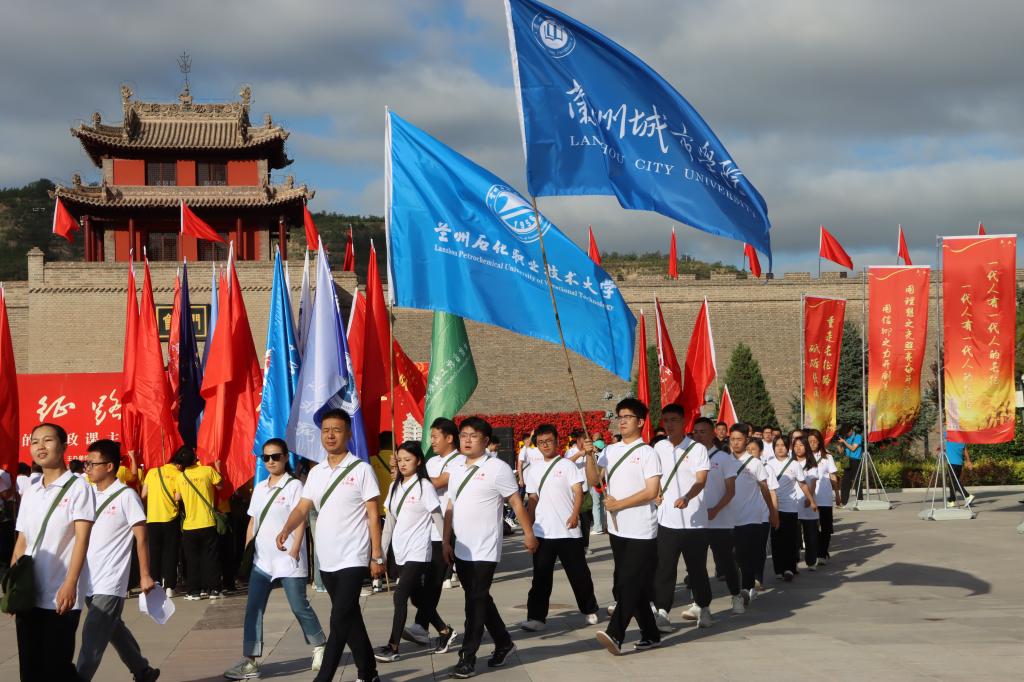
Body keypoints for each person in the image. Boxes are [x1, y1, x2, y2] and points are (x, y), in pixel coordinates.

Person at [277, 409, 383, 682]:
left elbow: (373, 514)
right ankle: (369, 673)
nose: (330, 435)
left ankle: (323, 678)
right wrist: (286, 528)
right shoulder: (316, 472)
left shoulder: (361, 469)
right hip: (328, 558)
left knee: (338, 620)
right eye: (326, 430)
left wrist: (377, 555)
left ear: (348, 434)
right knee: (350, 618)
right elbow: (302, 508)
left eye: (337, 430)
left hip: (354, 556)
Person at [224, 439, 326, 680]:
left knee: (299, 606)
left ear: (285, 457)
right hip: (262, 561)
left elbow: (300, 519)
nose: (270, 461)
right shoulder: (260, 488)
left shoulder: (294, 486)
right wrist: (248, 551)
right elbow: (253, 521)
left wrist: (296, 547)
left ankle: (320, 645)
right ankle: (250, 660)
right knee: (254, 609)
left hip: (288, 559)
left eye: (276, 456)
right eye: (266, 457)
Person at [444, 417, 537, 679]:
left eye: (473, 436)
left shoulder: (497, 468)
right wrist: (445, 540)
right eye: (464, 435)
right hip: (461, 547)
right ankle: (504, 642)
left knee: (473, 602)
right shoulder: (456, 468)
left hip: (485, 547)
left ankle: (468, 657)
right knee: (480, 598)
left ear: (485, 441)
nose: (467, 440)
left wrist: (528, 534)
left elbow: (516, 502)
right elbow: (450, 505)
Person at [12, 423, 95, 681]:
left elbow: (82, 540)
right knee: (30, 669)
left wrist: (70, 584)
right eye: (34, 441)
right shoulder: (31, 491)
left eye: (47, 440)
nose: (40, 446)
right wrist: (13, 586)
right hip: (29, 594)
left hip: (59, 595)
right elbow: (23, 540)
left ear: (64, 446)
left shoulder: (79, 488)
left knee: (55, 667)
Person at [76, 440, 159, 682]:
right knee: (113, 628)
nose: (88, 468)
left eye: (92, 464)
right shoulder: (88, 493)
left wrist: (145, 574)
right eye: (86, 463)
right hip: (88, 578)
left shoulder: (126, 495)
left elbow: (141, 537)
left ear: (110, 466)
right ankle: (143, 671)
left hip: (110, 580)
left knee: (92, 638)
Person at [584, 398, 662, 655]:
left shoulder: (648, 453)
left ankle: (615, 633)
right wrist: (589, 456)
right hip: (617, 529)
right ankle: (651, 634)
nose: (623, 421)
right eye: (620, 417)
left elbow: (652, 491)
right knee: (630, 583)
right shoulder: (610, 450)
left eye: (628, 417)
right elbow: (594, 479)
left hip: (641, 529)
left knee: (627, 583)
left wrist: (620, 504)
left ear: (640, 422)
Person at [375, 441, 450, 663]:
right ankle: (445, 631)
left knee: (399, 596)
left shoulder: (424, 486)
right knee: (418, 599)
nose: (403, 464)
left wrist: (446, 544)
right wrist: (380, 554)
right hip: (400, 550)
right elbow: (389, 524)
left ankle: (393, 646)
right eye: (399, 460)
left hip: (419, 552)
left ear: (418, 461)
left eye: (407, 459)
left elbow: (437, 517)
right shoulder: (394, 487)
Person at [520, 424, 598, 632]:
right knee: (541, 577)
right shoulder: (534, 470)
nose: (546, 445)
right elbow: (533, 499)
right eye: (541, 442)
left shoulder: (567, 465)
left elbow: (578, 492)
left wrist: (574, 514)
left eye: (549, 441)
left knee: (579, 574)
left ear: (557, 442)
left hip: (568, 531)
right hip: (543, 532)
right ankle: (536, 617)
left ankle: (589, 609)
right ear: (537, 445)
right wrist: (529, 529)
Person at [404, 417, 461, 650]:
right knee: (415, 587)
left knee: (433, 583)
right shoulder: (432, 461)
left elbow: (436, 483)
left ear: (449, 437)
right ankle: (442, 630)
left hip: (445, 530)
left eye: (435, 436)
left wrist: (410, 470)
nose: (432, 441)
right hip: (423, 530)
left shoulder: (459, 461)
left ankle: (421, 626)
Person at [651, 406, 709, 633]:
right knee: (665, 569)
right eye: (666, 420)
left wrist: (687, 497)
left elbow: (701, 480)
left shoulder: (697, 449)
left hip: (695, 522)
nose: (669, 425)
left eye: (674, 420)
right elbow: (654, 477)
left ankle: (703, 607)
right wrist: (655, 493)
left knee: (697, 569)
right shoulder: (659, 447)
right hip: (667, 521)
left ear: (684, 422)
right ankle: (663, 612)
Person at [728, 428, 779, 605]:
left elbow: (765, 489)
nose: (735, 443)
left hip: (751, 516)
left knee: (747, 553)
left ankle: (746, 587)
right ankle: (744, 586)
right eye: (732, 439)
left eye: (739, 439)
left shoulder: (755, 463)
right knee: (735, 555)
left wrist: (772, 512)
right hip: (729, 517)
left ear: (746, 440)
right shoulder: (724, 461)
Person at [172, 446, 223, 600]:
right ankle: (213, 589)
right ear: (195, 458)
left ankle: (194, 591)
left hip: (190, 525)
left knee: (192, 559)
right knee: (211, 557)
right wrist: (218, 468)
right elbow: (220, 486)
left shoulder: (180, 477)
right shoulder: (207, 471)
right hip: (208, 522)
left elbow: (177, 498)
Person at [141, 451, 182, 598]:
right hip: (170, 518)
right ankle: (170, 586)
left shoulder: (152, 472)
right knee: (171, 553)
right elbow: (178, 496)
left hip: (152, 519)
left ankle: (155, 585)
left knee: (154, 553)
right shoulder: (178, 474)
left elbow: (143, 494)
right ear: (178, 465)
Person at [807, 429, 840, 563]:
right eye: (810, 441)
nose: (812, 444)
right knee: (812, 527)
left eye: (815, 441)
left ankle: (822, 553)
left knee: (826, 527)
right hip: (810, 497)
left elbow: (833, 476)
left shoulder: (827, 457)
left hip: (825, 497)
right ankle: (817, 551)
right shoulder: (804, 457)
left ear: (820, 442)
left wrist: (837, 494)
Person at [793, 436, 819, 570]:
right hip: (793, 503)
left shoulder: (811, 464)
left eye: (801, 445)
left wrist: (810, 498)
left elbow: (813, 483)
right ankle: (795, 561)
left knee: (810, 535)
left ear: (806, 447)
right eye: (795, 445)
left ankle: (811, 561)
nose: (798, 448)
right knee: (795, 536)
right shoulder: (790, 463)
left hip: (808, 503)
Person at [836, 425, 864, 505]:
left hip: (856, 460)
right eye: (845, 433)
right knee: (845, 482)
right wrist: (838, 444)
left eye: (847, 432)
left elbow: (853, 448)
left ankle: (860, 500)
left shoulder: (857, 437)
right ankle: (843, 502)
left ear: (851, 430)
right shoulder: (846, 438)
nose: (846, 434)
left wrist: (844, 442)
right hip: (848, 461)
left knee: (857, 481)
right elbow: (841, 451)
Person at [944, 438, 974, 506]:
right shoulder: (961, 439)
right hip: (959, 464)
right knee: (952, 483)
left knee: (954, 482)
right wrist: (968, 461)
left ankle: (967, 496)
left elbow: (939, 432)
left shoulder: (949, 435)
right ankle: (951, 501)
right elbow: (965, 450)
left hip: (952, 463)